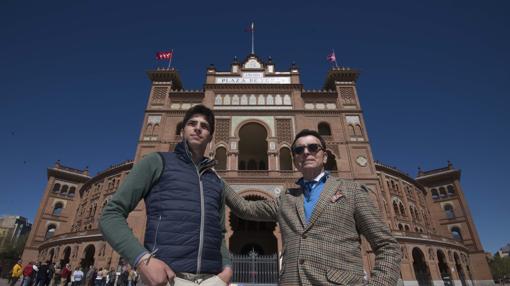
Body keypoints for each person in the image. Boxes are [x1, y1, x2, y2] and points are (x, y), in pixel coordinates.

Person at [224, 129, 402, 285]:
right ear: (295, 160)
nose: (306, 152)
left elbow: (387, 245)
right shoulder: (286, 198)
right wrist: (213, 178)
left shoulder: (352, 190)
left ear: (325, 156)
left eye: (313, 147)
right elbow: (244, 208)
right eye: (299, 150)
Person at [100, 105, 232, 286]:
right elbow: (110, 214)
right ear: (182, 131)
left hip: (212, 280)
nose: (198, 128)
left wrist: (227, 269)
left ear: (210, 137)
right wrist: (142, 259)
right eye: (192, 123)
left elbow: (221, 232)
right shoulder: (156, 162)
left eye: (205, 126)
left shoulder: (215, 181)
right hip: (166, 279)